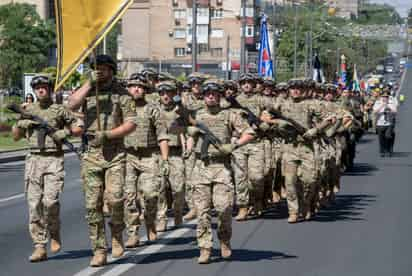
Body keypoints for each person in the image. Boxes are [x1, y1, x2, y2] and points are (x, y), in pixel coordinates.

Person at [68, 55, 137, 266]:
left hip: (115, 154)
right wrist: (89, 82)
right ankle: (99, 250)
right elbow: (71, 104)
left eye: (104, 69)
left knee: (116, 199)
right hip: (91, 155)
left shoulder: (122, 94)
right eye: (96, 69)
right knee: (92, 206)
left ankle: (117, 234)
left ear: (112, 71)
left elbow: (131, 124)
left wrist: (108, 134)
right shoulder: (88, 90)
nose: (100, 72)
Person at [12, 75, 83, 262]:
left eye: (44, 87)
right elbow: (15, 137)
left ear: (50, 89)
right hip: (33, 160)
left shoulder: (60, 109)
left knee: (50, 202)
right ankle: (39, 246)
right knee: (34, 205)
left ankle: (54, 231)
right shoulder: (28, 109)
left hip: (54, 159)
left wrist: (65, 132)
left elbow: (78, 128)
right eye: (37, 88)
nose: (40, 90)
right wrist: (20, 123)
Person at [188, 79, 255, 264]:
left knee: (224, 208)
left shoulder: (230, 115)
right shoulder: (195, 114)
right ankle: (205, 247)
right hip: (201, 167)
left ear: (219, 96)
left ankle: (224, 240)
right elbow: (173, 126)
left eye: (214, 94)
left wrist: (233, 145)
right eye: (208, 94)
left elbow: (249, 133)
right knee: (202, 211)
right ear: (203, 96)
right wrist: (189, 132)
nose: (211, 97)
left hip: (222, 168)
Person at [373, 91, 397, 157]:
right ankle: (382, 151)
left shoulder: (391, 103)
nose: (385, 98)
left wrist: (388, 106)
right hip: (380, 123)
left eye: (386, 97)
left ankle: (388, 149)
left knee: (388, 136)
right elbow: (375, 112)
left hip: (389, 123)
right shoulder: (378, 103)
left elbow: (395, 111)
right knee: (381, 138)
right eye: (384, 96)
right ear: (381, 97)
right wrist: (382, 106)